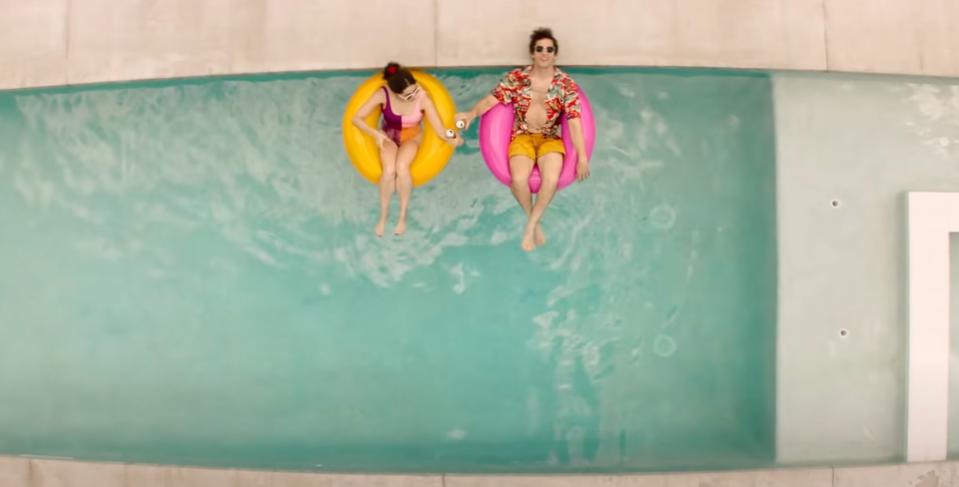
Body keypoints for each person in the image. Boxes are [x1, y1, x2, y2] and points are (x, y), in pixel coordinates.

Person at [456, 28, 590, 252]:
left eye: (549, 49)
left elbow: (575, 123)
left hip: (549, 138)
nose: (544, 53)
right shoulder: (517, 78)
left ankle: (530, 226)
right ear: (532, 53)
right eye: (540, 49)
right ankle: (533, 221)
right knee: (518, 180)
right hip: (522, 137)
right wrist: (470, 114)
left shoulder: (566, 84)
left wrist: (583, 157)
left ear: (555, 54)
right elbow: (491, 101)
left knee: (551, 179)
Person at [352, 62, 462, 237]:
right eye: (408, 95)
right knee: (388, 171)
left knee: (402, 168)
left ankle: (402, 216)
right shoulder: (383, 94)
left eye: (415, 90)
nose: (414, 95)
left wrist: (453, 137)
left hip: (411, 137)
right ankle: (383, 216)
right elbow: (356, 119)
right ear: (396, 93)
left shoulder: (423, 98)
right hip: (388, 135)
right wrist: (375, 134)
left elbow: (440, 129)